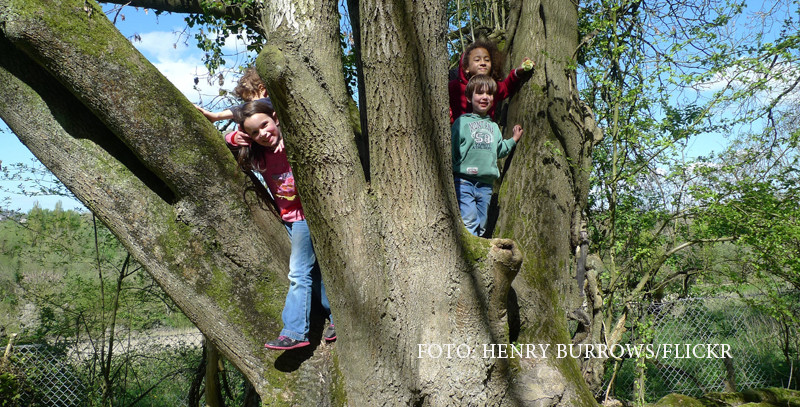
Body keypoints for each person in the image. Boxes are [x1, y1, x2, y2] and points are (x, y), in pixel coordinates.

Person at [231, 99, 335, 350]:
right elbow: (229, 139)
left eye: (265, 125)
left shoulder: (293, 142)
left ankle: (295, 332)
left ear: (276, 118)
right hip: (288, 219)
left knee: (299, 273)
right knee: (315, 271)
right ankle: (335, 316)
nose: (263, 134)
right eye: (254, 133)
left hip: (305, 218)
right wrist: (234, 138)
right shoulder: (260, 157)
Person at [452, 75, 523, 237]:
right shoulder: (462, 122)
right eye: (480, 93)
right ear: (469, 98)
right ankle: (469, 257)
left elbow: (500, 150)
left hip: (486, 185)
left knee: (482, 224)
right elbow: (452, 149)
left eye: (489, 94)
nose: (485, 97)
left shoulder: (493, 126)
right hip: (464, 181)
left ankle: (479, 251)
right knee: (469, 220)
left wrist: (513, 140)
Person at [449, 39, 534, 123]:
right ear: (466, 67)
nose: (483, 63)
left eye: (487, 60)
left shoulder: (492, 86)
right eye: (477, 60)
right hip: (462, 133)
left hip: (488, 132)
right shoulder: (455, 87)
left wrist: (517, 72)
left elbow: (506, 88)